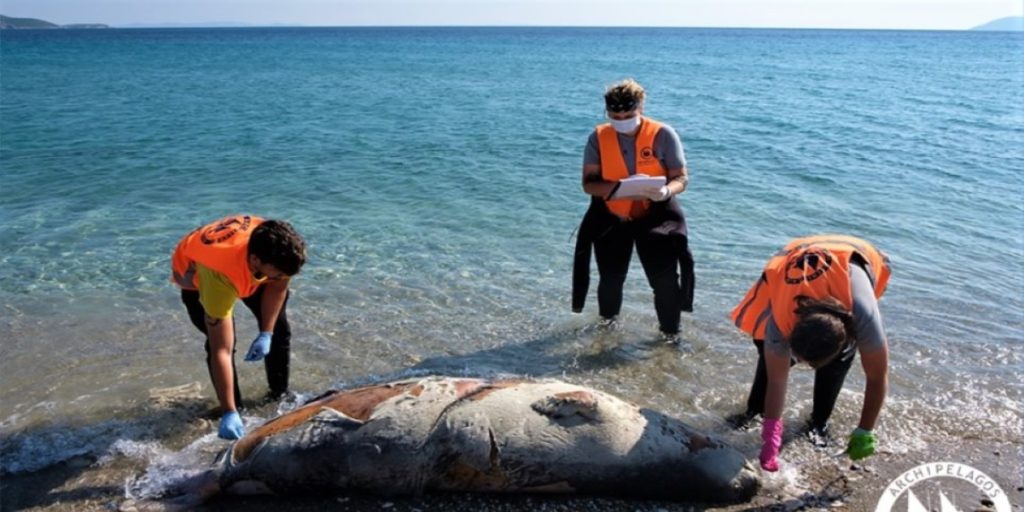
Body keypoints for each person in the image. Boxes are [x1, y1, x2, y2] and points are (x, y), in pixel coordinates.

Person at [728, 234, 891, 471]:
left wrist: (865, 431)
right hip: (799, 254)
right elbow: (777, 379)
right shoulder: (781, 318)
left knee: (836, 366)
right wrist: (771, 439)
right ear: (793, 329)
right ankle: (754, 410)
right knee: (769, 356)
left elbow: (877, 377)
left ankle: (818, 424)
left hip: (854, 257)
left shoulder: (863, 315)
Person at [572, 78, 694, 341]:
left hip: (656, 217)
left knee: (664, 283)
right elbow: (588, 184)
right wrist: (616, 188)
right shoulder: (598, 137)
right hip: (613, 215)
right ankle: (607, 332)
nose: (622, 120)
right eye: (615, 115)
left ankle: (670, 337)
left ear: (641, 108)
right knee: (611, 279)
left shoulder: (663, 134)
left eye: (628, 115)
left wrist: (666, 191)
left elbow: (681, 178)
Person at [171, 214, 307, 440]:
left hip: (249, 264)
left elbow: (278, 284)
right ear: (255, 260)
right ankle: (235, 410)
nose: (283, 278)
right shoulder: (219, 275)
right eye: (279, 274)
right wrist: (229, 412)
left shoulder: (279, 251)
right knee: (222, 344)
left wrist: (267, 333)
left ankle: (279, 396)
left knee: (280, 330)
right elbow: (220, 350)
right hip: (198, 280)